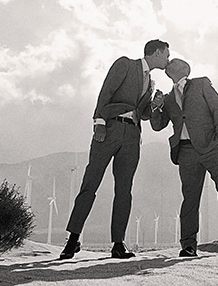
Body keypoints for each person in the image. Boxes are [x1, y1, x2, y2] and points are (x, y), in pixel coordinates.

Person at [59, 39, 171, 260]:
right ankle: (73, 239)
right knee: (90, 183)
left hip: (132, 136)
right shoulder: (125, 64)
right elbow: (106, 91)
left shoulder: (151, 83)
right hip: (109, 129)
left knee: (124, 190)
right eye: (166, 55)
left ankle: (118, 244)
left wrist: (155, 104)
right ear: (157, 53)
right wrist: (99, 122)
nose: (168, 59)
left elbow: (145, 114)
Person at [150, 58, 218, 256]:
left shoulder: (201, 83)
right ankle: (189, 246)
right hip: (185, 151)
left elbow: (216, 108)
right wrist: (155, 107)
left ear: (184, 68)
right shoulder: (166, 99)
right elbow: (158, 125)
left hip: (211, 146)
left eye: (173, 62)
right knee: (190, 200)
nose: (169, 63)